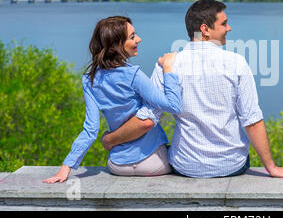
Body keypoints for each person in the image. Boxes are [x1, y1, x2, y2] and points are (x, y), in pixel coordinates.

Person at [102, 1, 283, 178]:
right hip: (232, 165)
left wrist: (109, 140)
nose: (229, 28)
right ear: (205, 29)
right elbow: (251, 119)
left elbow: (146, 121)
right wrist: (271, 167)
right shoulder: (237, 62)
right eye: (224, 23)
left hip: (185, 166)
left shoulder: (167, 65)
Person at [43, 16, 182, 183]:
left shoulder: (89, 80)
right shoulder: (133, 75)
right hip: (154, 163)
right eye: (132, 37)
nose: (139, 39)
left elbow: (90, 130)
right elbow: (173, 106)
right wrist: (167, 69)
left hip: (117, 166)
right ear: (116, 45)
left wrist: (66, 167)